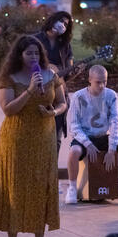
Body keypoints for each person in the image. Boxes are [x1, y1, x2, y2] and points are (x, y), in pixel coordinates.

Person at [0, 35, 66, 237]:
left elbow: (63, 102)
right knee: (16, 188)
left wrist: (53, 112)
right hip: (17, 138)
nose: (34, 57)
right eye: (29, 53)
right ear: (19, 55)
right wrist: (30, 91)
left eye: (37, 53)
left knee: (41, 188)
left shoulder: (50, 75)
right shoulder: (9, 78)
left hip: (44, 139)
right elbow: (8, 109)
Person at [65, 65, 118, 206]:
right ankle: (72, 188)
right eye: (98, 82)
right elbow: (74, 126)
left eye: (104, 82)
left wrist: (112, 149)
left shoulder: (111, 95)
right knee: (73, 152)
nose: (102, 86)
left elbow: (114, 122)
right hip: (85, 138)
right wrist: (88, 144)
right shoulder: (78, 96)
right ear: (89, 80)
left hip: (104, 137)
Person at [35, 11, 77, 158]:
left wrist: (75, 70)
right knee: (38, 135)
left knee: (56, 137)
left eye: (66, 24)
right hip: (39, 93)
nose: (63, 25)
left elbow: (68, 74)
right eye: (61, 21)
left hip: (59, 95)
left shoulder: (65, 46)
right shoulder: (35, 40)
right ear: (53, 19)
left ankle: (51, 169)